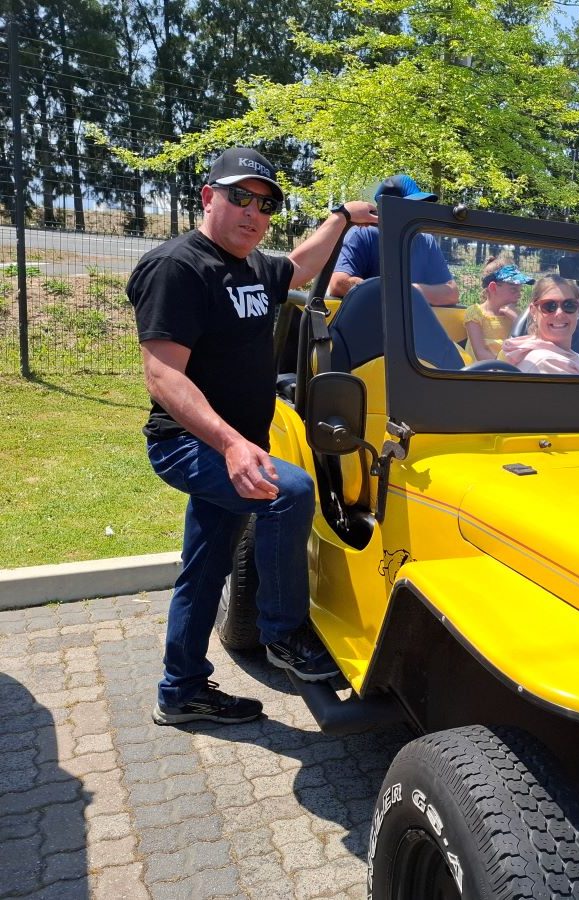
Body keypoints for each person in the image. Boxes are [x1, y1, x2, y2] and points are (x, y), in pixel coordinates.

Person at [127, 147, 377, 726]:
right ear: (208, 196)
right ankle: (283, 633)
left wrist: (340, 216)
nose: (253, 213)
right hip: (188, 444)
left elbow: (301, 267)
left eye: (264, 204)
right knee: (286, 491)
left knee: (204, 567)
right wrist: (235, 445)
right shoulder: (178, 267)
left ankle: (181, 691)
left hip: (235, 445)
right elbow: (163, 376)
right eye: (240, 197)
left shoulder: (253, 268)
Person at [326, 174, 458, 306]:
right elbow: (338, 283)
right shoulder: (362, 234)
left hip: (414, 324)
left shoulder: (426, 241)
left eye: (419, 205)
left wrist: (410, 291)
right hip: (368, 320)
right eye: (409, 206)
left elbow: (451, 293)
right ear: (386, 209)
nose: (417, 212)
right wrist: (397, 292)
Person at [502, 275, 579, 375]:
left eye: (569, 305)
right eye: (549, 306)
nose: (559, 313)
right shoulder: (546, 362)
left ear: (578, 311)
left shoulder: (576, 359)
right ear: (533, 312)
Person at [464, 257, 534, 361]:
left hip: (510, 369)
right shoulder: (475, 313)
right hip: (483, 370)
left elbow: (532, 340)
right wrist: (503, 369)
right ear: (493, 288)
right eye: (513, 289)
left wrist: (517, 320)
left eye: (520, 290)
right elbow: (480, 352)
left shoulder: (517, 314)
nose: (519, 295)